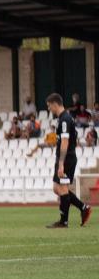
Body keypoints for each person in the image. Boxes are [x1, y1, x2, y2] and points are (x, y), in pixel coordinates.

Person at [42, 93, 91, 228]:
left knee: (62, 188)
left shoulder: (65, 119)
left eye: (49, 106)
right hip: (64, 158)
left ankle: (63, 221)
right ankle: (83, 207)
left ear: (55, 104)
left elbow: (65, 142)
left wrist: (61, 163)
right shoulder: (63, 118)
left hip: (67, 158)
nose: (49, 109)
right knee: (56, 188)